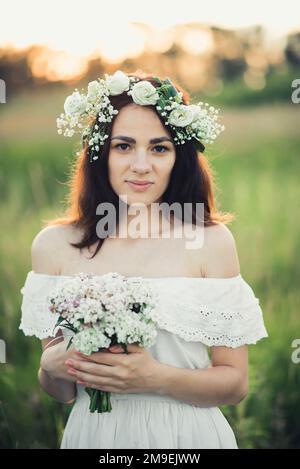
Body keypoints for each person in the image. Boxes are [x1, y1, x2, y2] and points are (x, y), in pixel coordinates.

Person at [19, 69, 268, 449]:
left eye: (158, 147)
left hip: (188, 438)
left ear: (177, 158)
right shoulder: (54, 246)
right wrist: (50, 367)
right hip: (96, 435)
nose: (140, 165)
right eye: (123, 146)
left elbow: (234, 385)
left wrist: (153, 377)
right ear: (101, 152)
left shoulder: (210, 243)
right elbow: (63, 392)